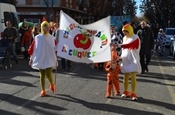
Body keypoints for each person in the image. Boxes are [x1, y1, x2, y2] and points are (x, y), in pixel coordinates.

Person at [28, 21, 57, 97]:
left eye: (47, 27)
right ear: (42, 28)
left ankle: (52, 84)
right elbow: (33, 49)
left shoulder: (51, 38)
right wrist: (31, 59)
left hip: (49, 59)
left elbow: (56, 47)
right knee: (42, 75)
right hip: (40, 58)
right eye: (44, 27)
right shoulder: (37, 38)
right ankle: (43, 90)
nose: (46, 28)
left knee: (48, 74)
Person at [119, 24, 141, 101]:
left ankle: (133, 93)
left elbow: (129, 46)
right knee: (125, 76)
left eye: (126, 31)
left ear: (130, 30)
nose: (125, 33)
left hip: (133, 59)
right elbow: (124, 49)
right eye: (123, 32)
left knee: (133, 76)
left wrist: (118, 45)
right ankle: (126, 91)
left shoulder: (136, 38)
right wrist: (120, 56)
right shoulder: (124, 38)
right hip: (126, 59)